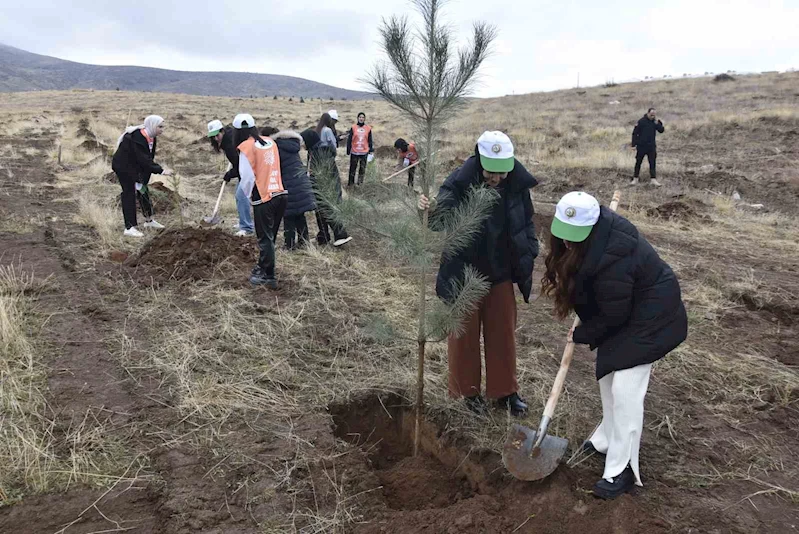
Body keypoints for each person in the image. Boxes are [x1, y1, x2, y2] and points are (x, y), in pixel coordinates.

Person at [541, 191, 688, 500]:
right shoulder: (585, 243)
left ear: (592, 228)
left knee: (626, 389)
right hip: (624, 309)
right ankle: (608, 437)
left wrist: (584, 334)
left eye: (574, 237)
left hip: (652, 316)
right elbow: (602, 300)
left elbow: (614, 312)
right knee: (608, 374)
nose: (566, 243)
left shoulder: (615, 256)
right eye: (563, 235)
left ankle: (621, 469)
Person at [417, 131, 538, 416]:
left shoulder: (517, 184)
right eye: (490, 172)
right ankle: (467, 394)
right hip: (464, 271)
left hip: (502, 272)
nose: (496, 178)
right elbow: (439, 221)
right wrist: (428, 209)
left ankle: (505, 393)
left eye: (501, 173)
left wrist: (529, 249)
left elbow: (526, 221)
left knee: (502, 334)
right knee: (464, 335)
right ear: (479, 160)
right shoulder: (458, 183)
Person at [233, 114, 288, 287]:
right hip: (280, 192)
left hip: (263, 196)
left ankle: (268, 275)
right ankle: (263, 267)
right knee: (270, 237)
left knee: (264, 238)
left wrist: (249, 196)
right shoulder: (270, 142)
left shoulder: (246, 147)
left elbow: (247, 177)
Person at [112, 115, 171, 237]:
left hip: (135, 168)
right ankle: (129, 227)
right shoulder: (137, 137)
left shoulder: (151, 136)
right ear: (152, 125)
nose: (162, 130)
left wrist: (144, 176)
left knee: (143, 190)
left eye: (162, 127)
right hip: (124, 168)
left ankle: (149, 220)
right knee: (129, 193)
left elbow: (147, 158)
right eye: (160, 127)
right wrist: (160, 170)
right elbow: (143, 159)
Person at [265, 127, 317, 250]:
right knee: (300, 214)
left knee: (288, 215)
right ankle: (304, 242)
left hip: (289, 184)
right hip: (301, 182)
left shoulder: (276, 148)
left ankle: (289, 245)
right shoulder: (292, 144)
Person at [300, 128, 353, 247]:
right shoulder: (313, 150)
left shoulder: (321, 152)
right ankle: (323, 236)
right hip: (320, 187)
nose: (302, 144)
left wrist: (314, 183)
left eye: (304, 141)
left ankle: (341, 235)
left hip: (327, 187)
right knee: (319, 212)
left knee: (328, 210)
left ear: (309, 140)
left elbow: (323, 173)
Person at [207, 119, 254, 236]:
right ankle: (243, 221)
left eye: (217, 135)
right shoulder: (228, 139)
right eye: (213, 137)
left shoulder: (230, 144)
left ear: (222, 131)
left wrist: (229, 175)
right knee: (240, 197)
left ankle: (247, 228)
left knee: (241, 196)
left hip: (249, 170)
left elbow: (239, 167)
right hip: (244, 169)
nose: (215, 139)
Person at [630, 108, 664, 187]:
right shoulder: (641, 121)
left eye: (654, 115)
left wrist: (658, 124)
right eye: (651, 115)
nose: (653, 116)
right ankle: (635, 179)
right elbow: (635, 133)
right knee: (638, 162)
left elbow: (661, 130)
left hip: (651, 147)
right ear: (648, 113)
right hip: (641, 146)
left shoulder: (655, 122)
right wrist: (633, 145)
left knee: (652, 163)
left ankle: (653, 179)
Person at [346, 112, 373, 186]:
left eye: (363, 117)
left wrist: (371, 150)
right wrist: (348, 149)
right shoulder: (353, 127)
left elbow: (370, 140)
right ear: (357, 118)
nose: (361, 118)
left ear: (364, 119)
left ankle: (360, 183)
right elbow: (349, 139)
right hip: (355, 151)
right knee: (352, 168)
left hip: (364, 152)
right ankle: (350, 184)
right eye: (360, 117)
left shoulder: (368, 128)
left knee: (362, 168)